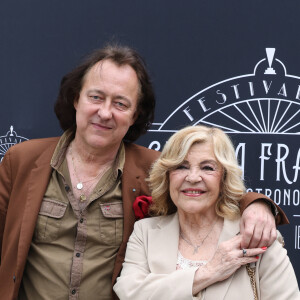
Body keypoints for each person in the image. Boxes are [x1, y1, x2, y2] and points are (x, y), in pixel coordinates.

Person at [0, 44, 288, 300]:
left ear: (135, 114)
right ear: (76, 99)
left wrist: (257, 206)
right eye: (96, 97)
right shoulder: (22, 160)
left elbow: (206, 189)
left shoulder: (154, 169)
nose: (105, 112)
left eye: (120, 103)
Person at [113, 125, 299, 300]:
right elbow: (128, 293)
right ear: (167, 176)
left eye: (207, 168)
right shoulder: (144, 232)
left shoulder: (255, 235)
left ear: (224, 178)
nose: (193, 178)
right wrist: (208, 272)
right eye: (181, 166)